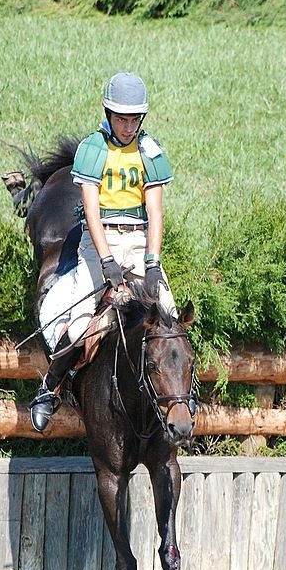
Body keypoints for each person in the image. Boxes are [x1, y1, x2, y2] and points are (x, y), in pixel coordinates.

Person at [30, 71, 178, 432]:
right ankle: (49, 388)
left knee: (172, 322)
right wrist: (107, 261)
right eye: (121, 118)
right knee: (80, 325)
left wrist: (152, 263)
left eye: (134, 119)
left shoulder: (150, 152)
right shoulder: (93, 151)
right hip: (98, 242)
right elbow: (92, 213)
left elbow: (156, 212)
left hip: (140, 241)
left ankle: (179, 400)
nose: (128, 126)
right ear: (109, 114)